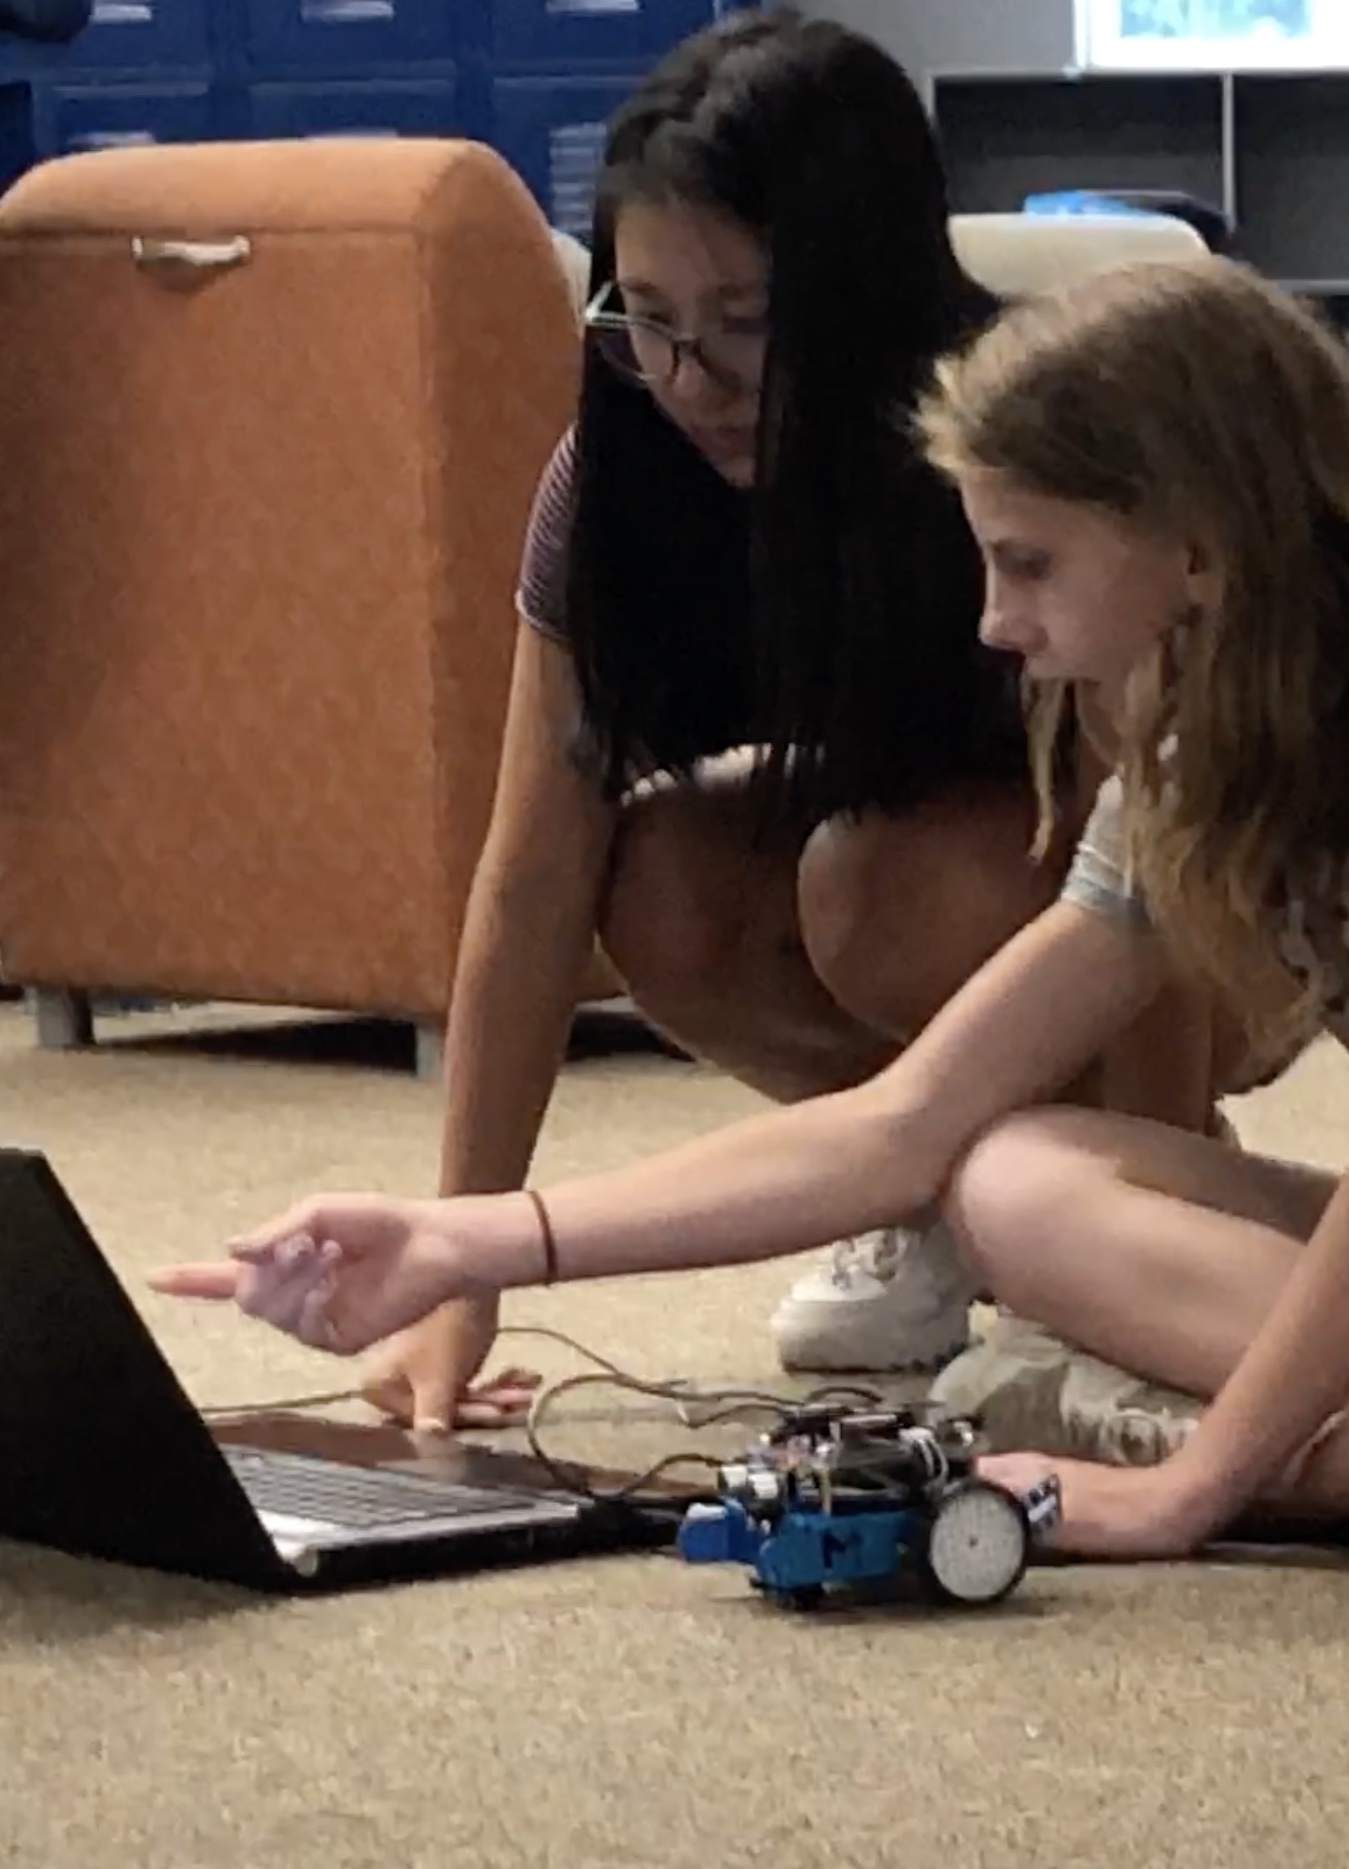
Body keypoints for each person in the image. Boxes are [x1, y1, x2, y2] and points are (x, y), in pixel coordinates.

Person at [154, 253, 1349, 1559]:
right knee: (1016, 1175)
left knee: (1074, 1281)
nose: (995, 622)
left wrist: (1194, 1487)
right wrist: (462, 1239)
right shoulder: (1187, 764)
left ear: (1197, 549)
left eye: (1029, 563)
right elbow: (899, 1125)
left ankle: (1258, 1447)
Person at [358, 8, 1229, 1431]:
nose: (688, 378)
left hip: (1181, 924)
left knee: (867, 884)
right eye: (646, 318)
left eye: (746, 322)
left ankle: (1108, 1184)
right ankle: (945, 1198)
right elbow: (530, 877)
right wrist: (460, 1265)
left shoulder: (1025, 464)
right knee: (659, 874)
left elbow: (1160, 885)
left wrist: (1141, 1237)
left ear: (859, 290)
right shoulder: (616, 476)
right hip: (990, 911)